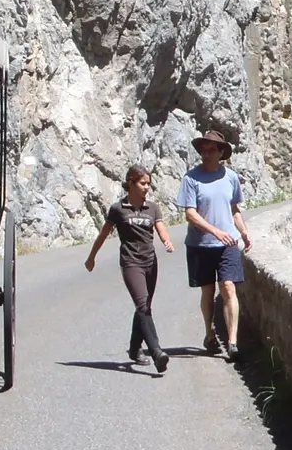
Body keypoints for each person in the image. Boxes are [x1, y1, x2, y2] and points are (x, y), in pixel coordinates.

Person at [84, 165, 177, 371]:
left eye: (149, 184)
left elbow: (161, 229)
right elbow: (103, 234)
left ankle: (135, 349)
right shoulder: (118, 209)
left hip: (150, 262)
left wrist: (167, 241)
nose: (147, 188)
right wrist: (92, 257)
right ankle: (156, 351)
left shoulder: (153, 208)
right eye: (143, 183)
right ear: (131, 183)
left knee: (144, 308)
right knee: (142, 305)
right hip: (130, 262)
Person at [177, 129, 252, 360]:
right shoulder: (191, 179)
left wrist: (244, 231)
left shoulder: (231, 177)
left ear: (221, 152)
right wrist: (215, 231)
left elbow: (234, 209)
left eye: (211, 150)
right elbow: (190, 214)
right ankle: (209, 333)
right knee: (208, 291)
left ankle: (232, 342)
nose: (205, 153)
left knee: (228, 287)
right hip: (201, 244)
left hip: (228, 243)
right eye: (203, 150)